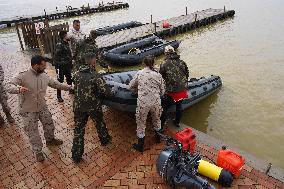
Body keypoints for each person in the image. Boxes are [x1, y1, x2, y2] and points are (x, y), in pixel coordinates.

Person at [7, 55, 73, 162]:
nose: (45, 68)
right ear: (36, 65)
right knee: (33, 132)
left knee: (49, 124)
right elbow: (8, 86)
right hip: (28, 110)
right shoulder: (23, 76)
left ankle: (50, 140)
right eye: (43, 66)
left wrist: (70, 87)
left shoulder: (44, 76)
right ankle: (38, 151)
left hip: (42, 106)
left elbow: (56, 84)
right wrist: (18, 88)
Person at [72, 53, 112, 163]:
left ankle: (76, 155)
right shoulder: (95, 75)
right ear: (93, 61)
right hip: (93, 106)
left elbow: (75, 87)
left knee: (78, 130)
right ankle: (104, 140)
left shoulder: (76, 74)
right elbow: (107, 92)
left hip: (79, 106)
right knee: (99, 123)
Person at [128, 55, 165, 152]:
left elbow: (130, 86)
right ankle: (158, 139)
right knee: (157, 120)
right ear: (153, 63)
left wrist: (138, 90)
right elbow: (162, 91)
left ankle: (140, 146)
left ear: (144, 63)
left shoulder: (139, 73)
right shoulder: (158, 75)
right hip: (156, 102)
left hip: (143, 102)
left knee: (141, 123)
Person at [159, 45, 189, 129]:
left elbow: (161, 78)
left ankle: (161, 126)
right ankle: (177, 122)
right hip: (183, 90)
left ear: (165, 53)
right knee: (179, 106)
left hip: (172, 92)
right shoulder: (182, 62)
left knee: (163, 108)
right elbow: (187, 74)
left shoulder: (164, 63)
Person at [53, 31, 73, 102]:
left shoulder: (67, 43)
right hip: (60, 66)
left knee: (69, 78)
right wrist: (57, 67)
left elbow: (69, 54)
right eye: (67, 35)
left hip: (67, 65)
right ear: (64, 36)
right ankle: (59, 96)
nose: (68, 36)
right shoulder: (59, 45)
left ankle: (70, 90)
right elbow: (56, 56)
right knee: (60, 81)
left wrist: (71, 63)